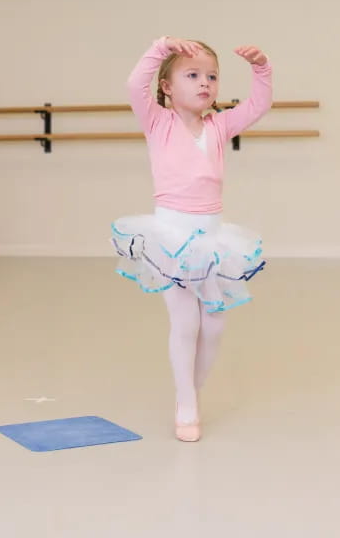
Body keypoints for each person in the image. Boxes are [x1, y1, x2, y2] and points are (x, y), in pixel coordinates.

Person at [111, 36, 272, 442]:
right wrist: (159, 49)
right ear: (166, 87)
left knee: (214, 325)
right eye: (193, 75)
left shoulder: (219, 126)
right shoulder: (157, 123)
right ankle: (186, 403)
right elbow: (135, 85)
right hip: (170, 236)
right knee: (185, 321)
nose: (205, 83)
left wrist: (261, 69)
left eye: (212, 76)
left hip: (213, 237)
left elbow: (258, 106)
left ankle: (192, 388)